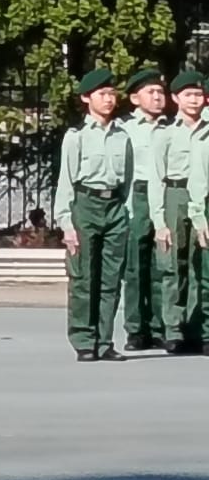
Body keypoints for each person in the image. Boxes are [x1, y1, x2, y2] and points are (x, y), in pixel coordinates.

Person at [56, 68, 135, 361]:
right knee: (84, 276)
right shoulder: (76, 137)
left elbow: (126, 179)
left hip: (113, 206)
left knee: (111, 279)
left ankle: (104, 340)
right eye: (102, 94)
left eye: (112, 93)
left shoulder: (122, 137)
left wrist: (124, 213)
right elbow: (66, 181)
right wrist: (66, 222)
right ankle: (84, 340)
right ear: (86, 98)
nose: (109, 99)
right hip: (85, 204)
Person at [157, 71, 208, 353]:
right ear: (176, 98)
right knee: (174, 263)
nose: (194, 100)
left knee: (200, 262)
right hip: (175, 193)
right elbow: (156, 176)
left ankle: (197, 327)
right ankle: (173, 328)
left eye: (198, 95)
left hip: (203, 195)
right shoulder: (166, 132)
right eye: (188, 95)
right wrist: (158, 215)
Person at [121, 69, 169, 350]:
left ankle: (160, 326)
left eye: (160, 92)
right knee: (135, 267)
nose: (157, 97)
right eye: (151, 92)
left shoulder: (172, 127)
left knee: (162, 264)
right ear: (134, 98)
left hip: (164, 195)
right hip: (137, 197)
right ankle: (136, 330)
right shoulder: (125, 128)